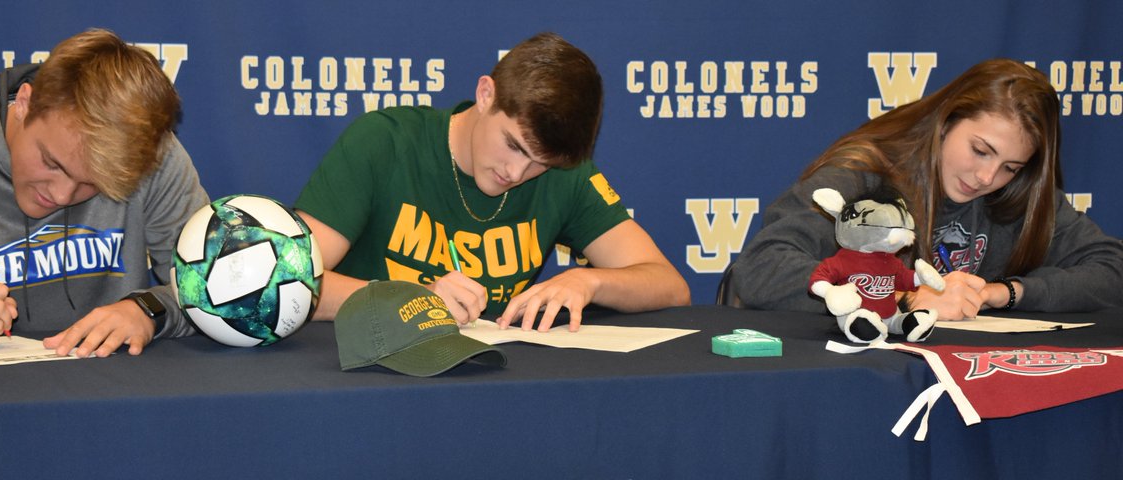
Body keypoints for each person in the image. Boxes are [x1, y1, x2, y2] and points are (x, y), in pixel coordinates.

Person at [295, 32, 690, 331]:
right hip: (369, 371)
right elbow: (288, 281)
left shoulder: (566, 175)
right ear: (486, 94)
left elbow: (668, 284)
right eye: (514, 146)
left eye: (541, 164)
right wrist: (409, 302)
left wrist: (589, 281)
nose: (516, 174)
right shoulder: (384, 143)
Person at [728, 58, 1123, 320]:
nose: (987, 177)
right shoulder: (864, 175)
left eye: (1010, 166)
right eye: (980, 150)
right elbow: (762, 268)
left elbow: (1112, 270)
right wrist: (904, 301)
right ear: (946, 121)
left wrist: (1007, 293)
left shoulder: (1020, 193)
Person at [0, 29, 209, 356]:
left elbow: (211, 287)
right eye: (51, 162)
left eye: (94, 182)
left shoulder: (150, 156)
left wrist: (148, 310)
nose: (61, 195)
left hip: (110, 388)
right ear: (25, 105)